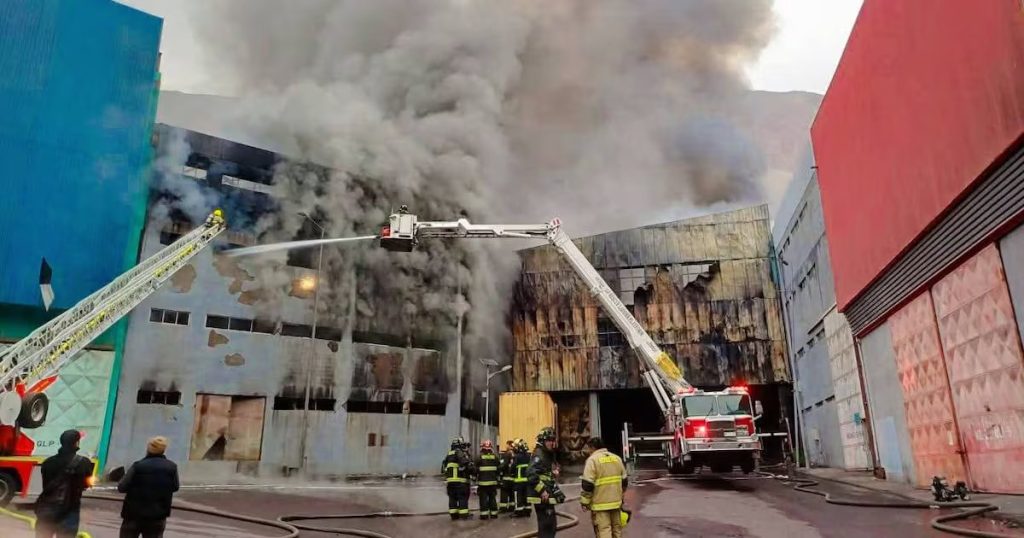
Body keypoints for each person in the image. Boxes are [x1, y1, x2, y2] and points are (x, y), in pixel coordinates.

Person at [34, 430, 95, 538]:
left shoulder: (48, 462)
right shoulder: (84, 462)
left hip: (46, 509)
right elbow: (88, 484)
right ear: (76, 443)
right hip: (69, 511)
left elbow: (46, 483)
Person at [118, 436, 180, 538]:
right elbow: (175, 487)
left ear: (148, 449)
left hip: (133, 515)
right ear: (163, 450)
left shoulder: (138, 466)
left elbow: (122, 487)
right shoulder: (172, 467)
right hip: (158, 516)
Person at [580, 437, 628, 538]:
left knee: (604, 530)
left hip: (600, 505)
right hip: (616, 503)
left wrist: (585, 502)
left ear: (592, 447)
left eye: (588, 448)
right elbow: (624, 481)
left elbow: (588, 485)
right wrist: (621, 496)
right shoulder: (617, 458)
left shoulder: (592, 460)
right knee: (616, 529)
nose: (588, 451)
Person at [527, 427, 565, 538]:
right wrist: (542, 490)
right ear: (542, 440)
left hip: (546, 495)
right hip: (542, 496)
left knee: (550, 525)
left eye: (553, 440)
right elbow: (530, 473)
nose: (552, 443)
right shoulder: (539, 454)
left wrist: (553, 472)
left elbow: (543, 472)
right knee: (547, 526)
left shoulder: (546, 453)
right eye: (549, 440)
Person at [442, 437, 474, 520]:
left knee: (452, 498)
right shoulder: (459, 452)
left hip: (450, 482)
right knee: (462, 498)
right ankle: (463, 515)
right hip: (460, 482)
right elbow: (465, 463)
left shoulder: (449, 454)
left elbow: (443, 468)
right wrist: (471, 467)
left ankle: (454, 515)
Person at [475, 440, 499, 519]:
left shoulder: (479, 457)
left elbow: (475, 469)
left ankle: (484, 515)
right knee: (492, 498)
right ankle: (494, 514)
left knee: (483, 499)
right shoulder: (495, 457)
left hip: (483, 483)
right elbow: (498, 468)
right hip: (493, 482)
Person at [511, 439, 532, 517]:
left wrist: (511, 472)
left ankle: (519, 511)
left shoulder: (517, 457)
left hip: (519, 481)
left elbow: (513, 467)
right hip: (527, 480)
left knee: (518, 496)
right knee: (527, 495)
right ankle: (528, 510)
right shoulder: (529, 456)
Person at [498, 440, 515, 513]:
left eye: (507, 445)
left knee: (504, 493)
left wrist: (498, 469)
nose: (506, 446)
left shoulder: (506, 454)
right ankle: (512, 507)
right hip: (513, 478)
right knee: (511, 494)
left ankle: (503, 508)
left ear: (509, 445)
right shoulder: (515, 454)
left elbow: (503, 465)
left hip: (506, 477)